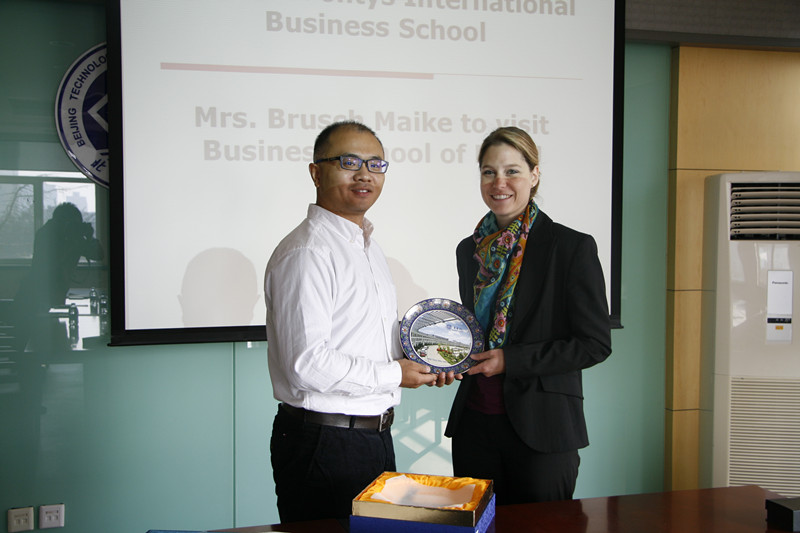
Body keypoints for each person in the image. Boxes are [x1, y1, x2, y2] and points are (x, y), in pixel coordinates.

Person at [264, 121, 444, 524]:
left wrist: (428, 360)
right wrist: (396, 374)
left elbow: (369, 338)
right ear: (316, 173)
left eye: (376, 164)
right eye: (349, 162)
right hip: (325, 442)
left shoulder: (367, 247)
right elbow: (307, 364)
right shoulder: (308, 252)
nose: (365, 174)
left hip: (370, 436)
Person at [444, 127, 612, 504]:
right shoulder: (468, 250)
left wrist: (511, 360)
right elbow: (476, 332)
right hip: (474, 425)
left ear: (534, 175)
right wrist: (447, 356)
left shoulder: (570, 247)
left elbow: (594, 344)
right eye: (489, 172)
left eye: (512, 171)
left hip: (543, 430)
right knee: (478, 527)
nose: (499, 183)